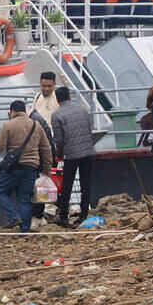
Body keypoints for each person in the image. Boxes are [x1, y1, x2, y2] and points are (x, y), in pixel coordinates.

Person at [0, 100, 53, 232]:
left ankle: (13, 217)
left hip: (13, 167)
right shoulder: (36, 125)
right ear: (24, 111)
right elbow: (46, 149)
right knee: (25, 199)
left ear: (12, 111)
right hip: (31, 168)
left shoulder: (8, 125)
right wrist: (47, 170)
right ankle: (24, 230)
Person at [50, 87, 95, 227]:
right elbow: (89, 128)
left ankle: (63, 216)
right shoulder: (82, 109)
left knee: (67, 185)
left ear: (57, 99)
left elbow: (59, 140)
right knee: (85, 184)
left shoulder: (56, 115)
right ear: (69, 96)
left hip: (72, 154)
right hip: (88, 152)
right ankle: (84, 215)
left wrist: (58, 156)